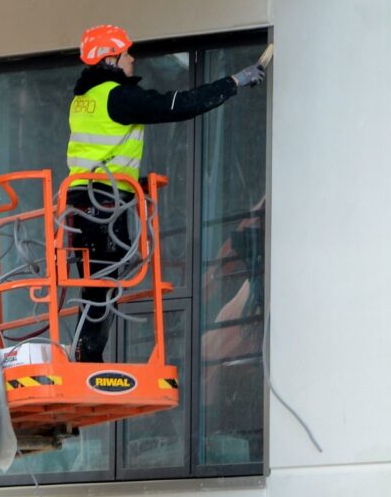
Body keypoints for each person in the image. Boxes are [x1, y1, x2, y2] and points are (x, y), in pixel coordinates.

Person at [66, 24, 266, 362]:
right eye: (126, 53)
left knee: (97, 285)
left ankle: (85, 356)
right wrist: (234, 82)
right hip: (103, 203)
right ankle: (87, 360)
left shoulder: (84, 99)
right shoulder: (117, 95)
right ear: (111, 58)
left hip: (85, 201)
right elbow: (179, 105)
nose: (132, 58)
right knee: (104, 285)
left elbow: (105, 151)